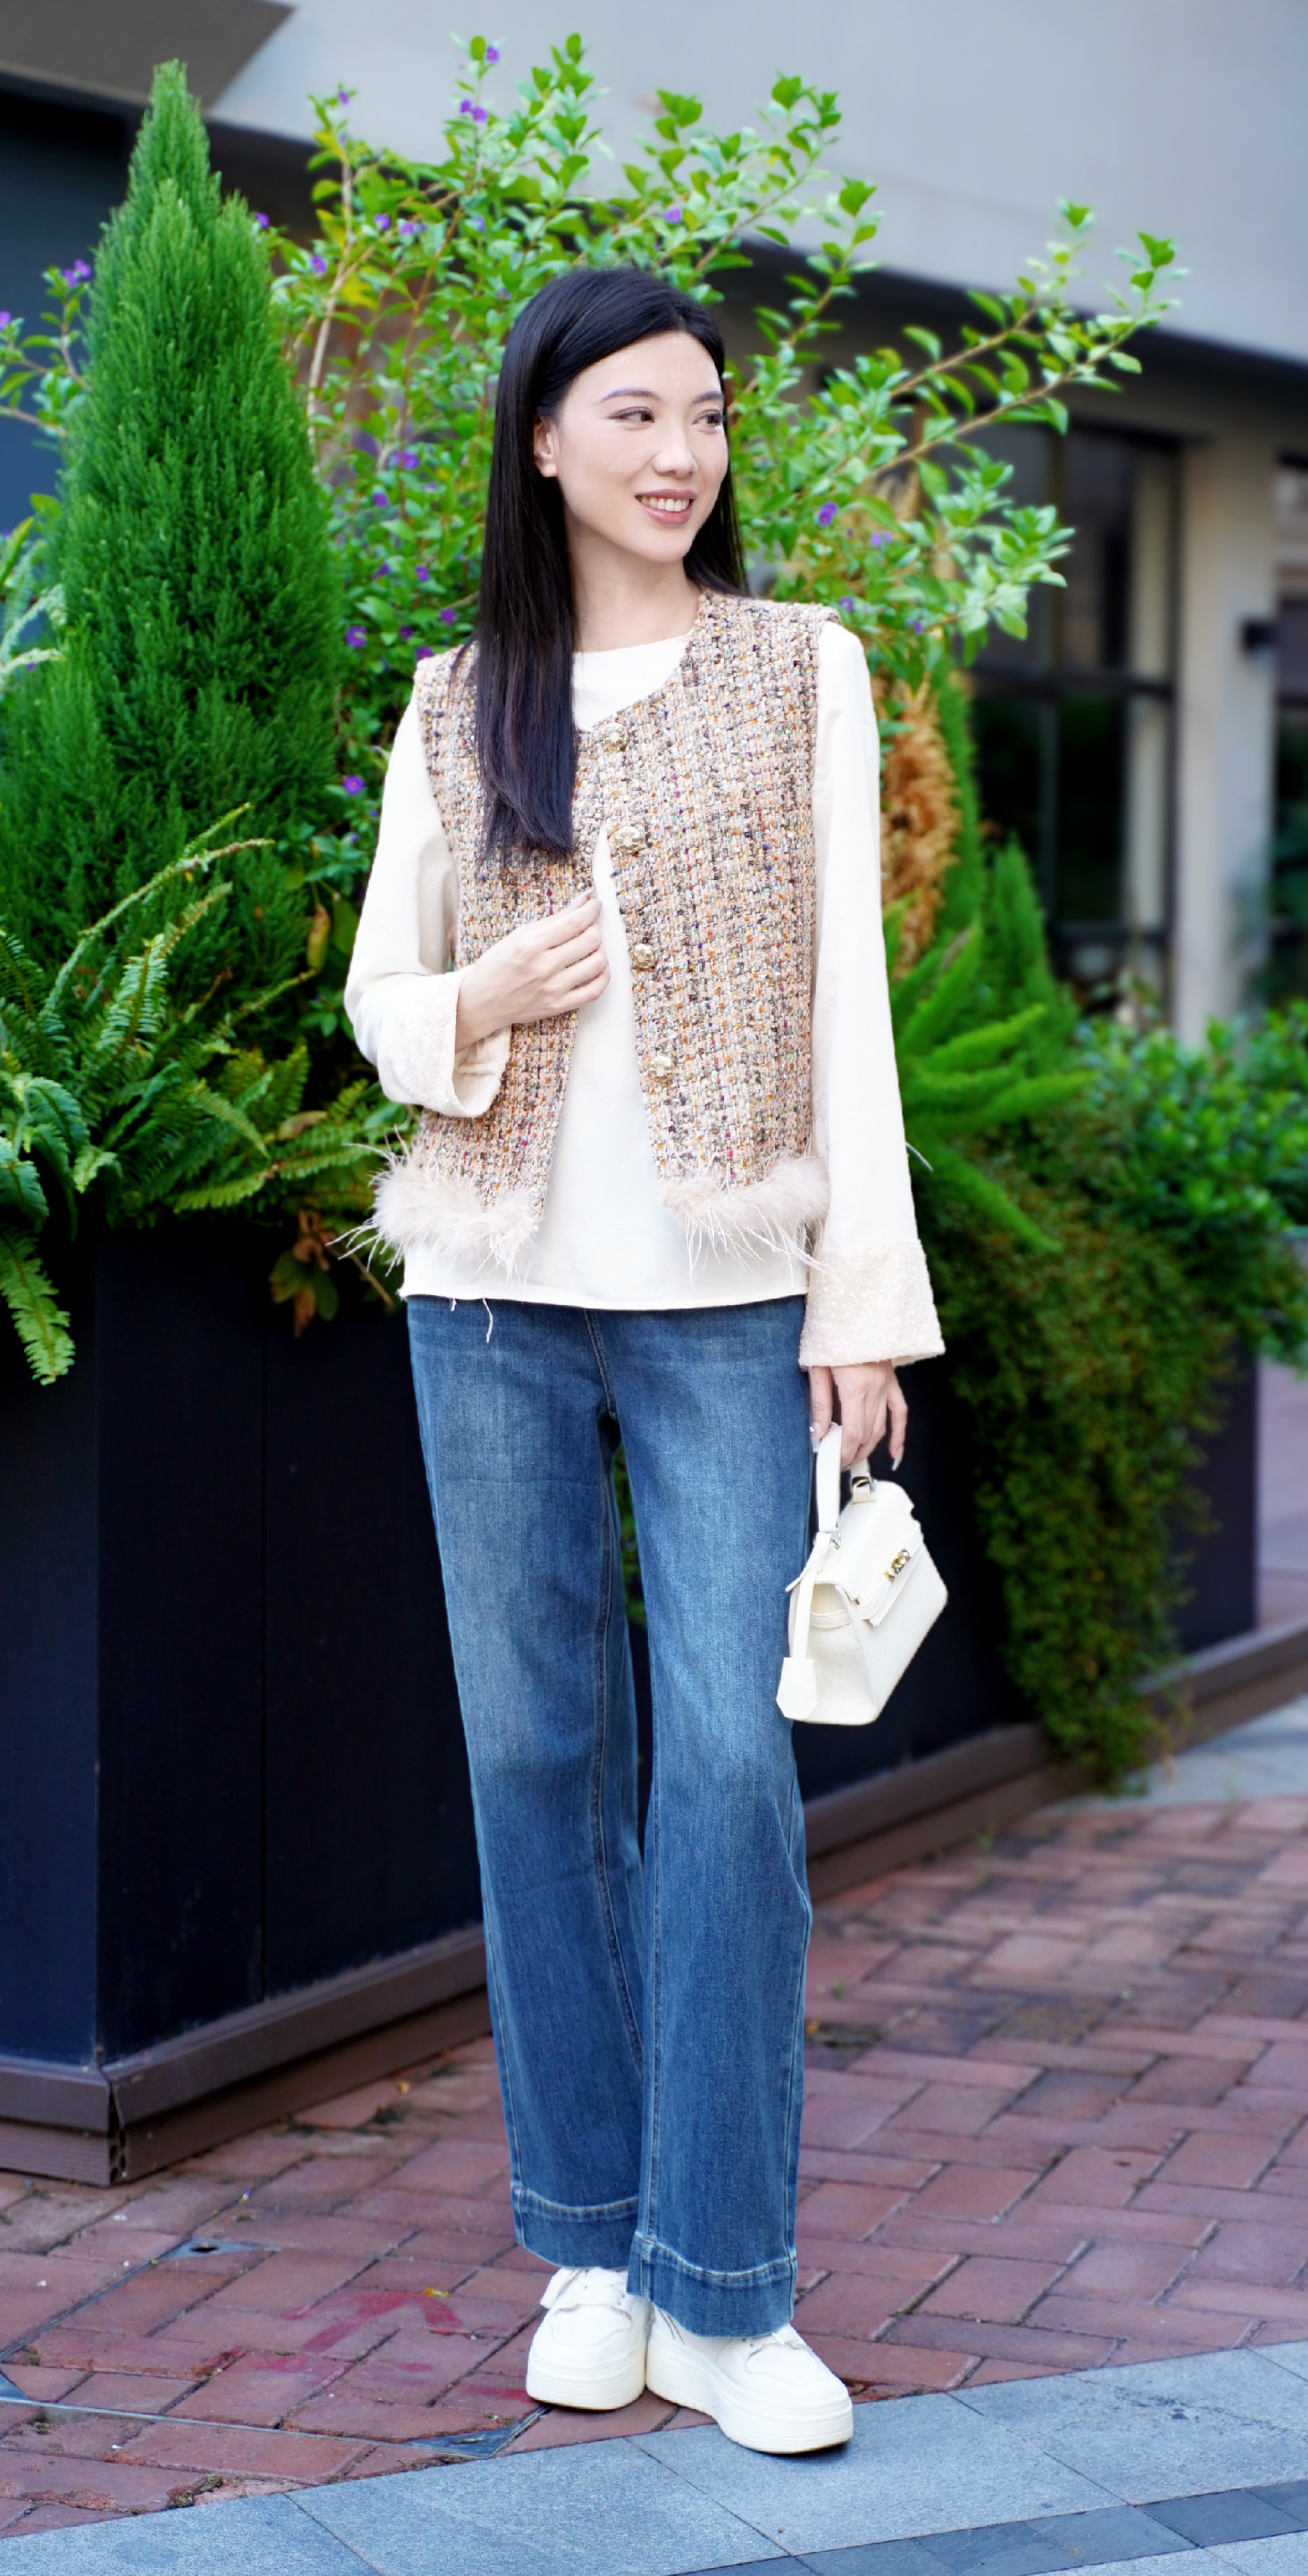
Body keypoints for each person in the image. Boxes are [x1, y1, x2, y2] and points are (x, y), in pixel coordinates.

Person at [346, 266, 942, 2456]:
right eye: (634, 414)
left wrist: (861, 1304)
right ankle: (593, 2250)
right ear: (543, 441)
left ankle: (728, 2291)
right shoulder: (454, 702)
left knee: (725, 1773)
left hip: (722, 1307)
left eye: (705, 416)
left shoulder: (800, 668)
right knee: (531, 1763)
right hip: (488, 1302)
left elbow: (848, 1005)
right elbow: (381, 1005)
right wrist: (483, 997)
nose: (681, 452)